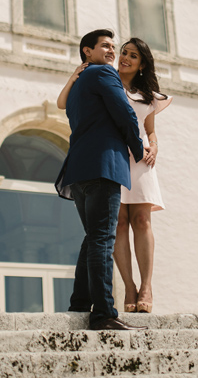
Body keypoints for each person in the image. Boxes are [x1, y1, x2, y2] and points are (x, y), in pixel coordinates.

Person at [58, 37, 171, 314]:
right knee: (116, 224)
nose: (125, 58)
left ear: (142, 63)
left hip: (140, 156)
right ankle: (128, 287)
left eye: (133, 55)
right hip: (115, 155)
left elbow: (149, 128)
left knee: (142, 220)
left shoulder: (148, 94)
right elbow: (68, 104)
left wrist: (153, 146)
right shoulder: (103, 75)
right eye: (124, 52)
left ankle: (146, 287)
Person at [54, 29, 145, 331]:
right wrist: (138, 150)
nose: (111, 51)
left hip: (79, 169)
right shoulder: (105, 74)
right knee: (103, 239)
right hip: (103, 165)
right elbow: (125, 113)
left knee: (93, 237)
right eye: (104, 46)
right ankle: (104, 312)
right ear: (87, 51)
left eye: (112, 47)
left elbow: (65, 105)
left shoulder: (80, 83)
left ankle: (80, 304)